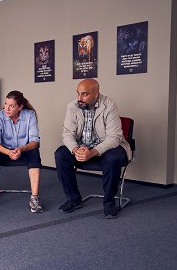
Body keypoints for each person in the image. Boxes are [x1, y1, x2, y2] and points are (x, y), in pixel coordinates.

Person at [54, 78, 132, 218]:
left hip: (108, 148)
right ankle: (73, 199)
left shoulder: (109, 105)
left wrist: (94, 152)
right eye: (78, 93)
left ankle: (109, 202)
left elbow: (114, 137)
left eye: (84, 94)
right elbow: (67, 133)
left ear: (96, 94)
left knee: (113, 158)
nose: (79, 98)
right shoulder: (73, 106)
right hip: (83, 148)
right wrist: (75, 149)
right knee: (61, 154)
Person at [0, 90, 43, 213]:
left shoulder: (29, 115)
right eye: (6, 104)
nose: (7, 108)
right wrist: (8, 152)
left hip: (24, 150)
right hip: (5, 151)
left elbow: (35, 141)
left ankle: (35, 197)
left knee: (34, 151)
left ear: (20, 107)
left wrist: (21, 149)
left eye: (12, 106)